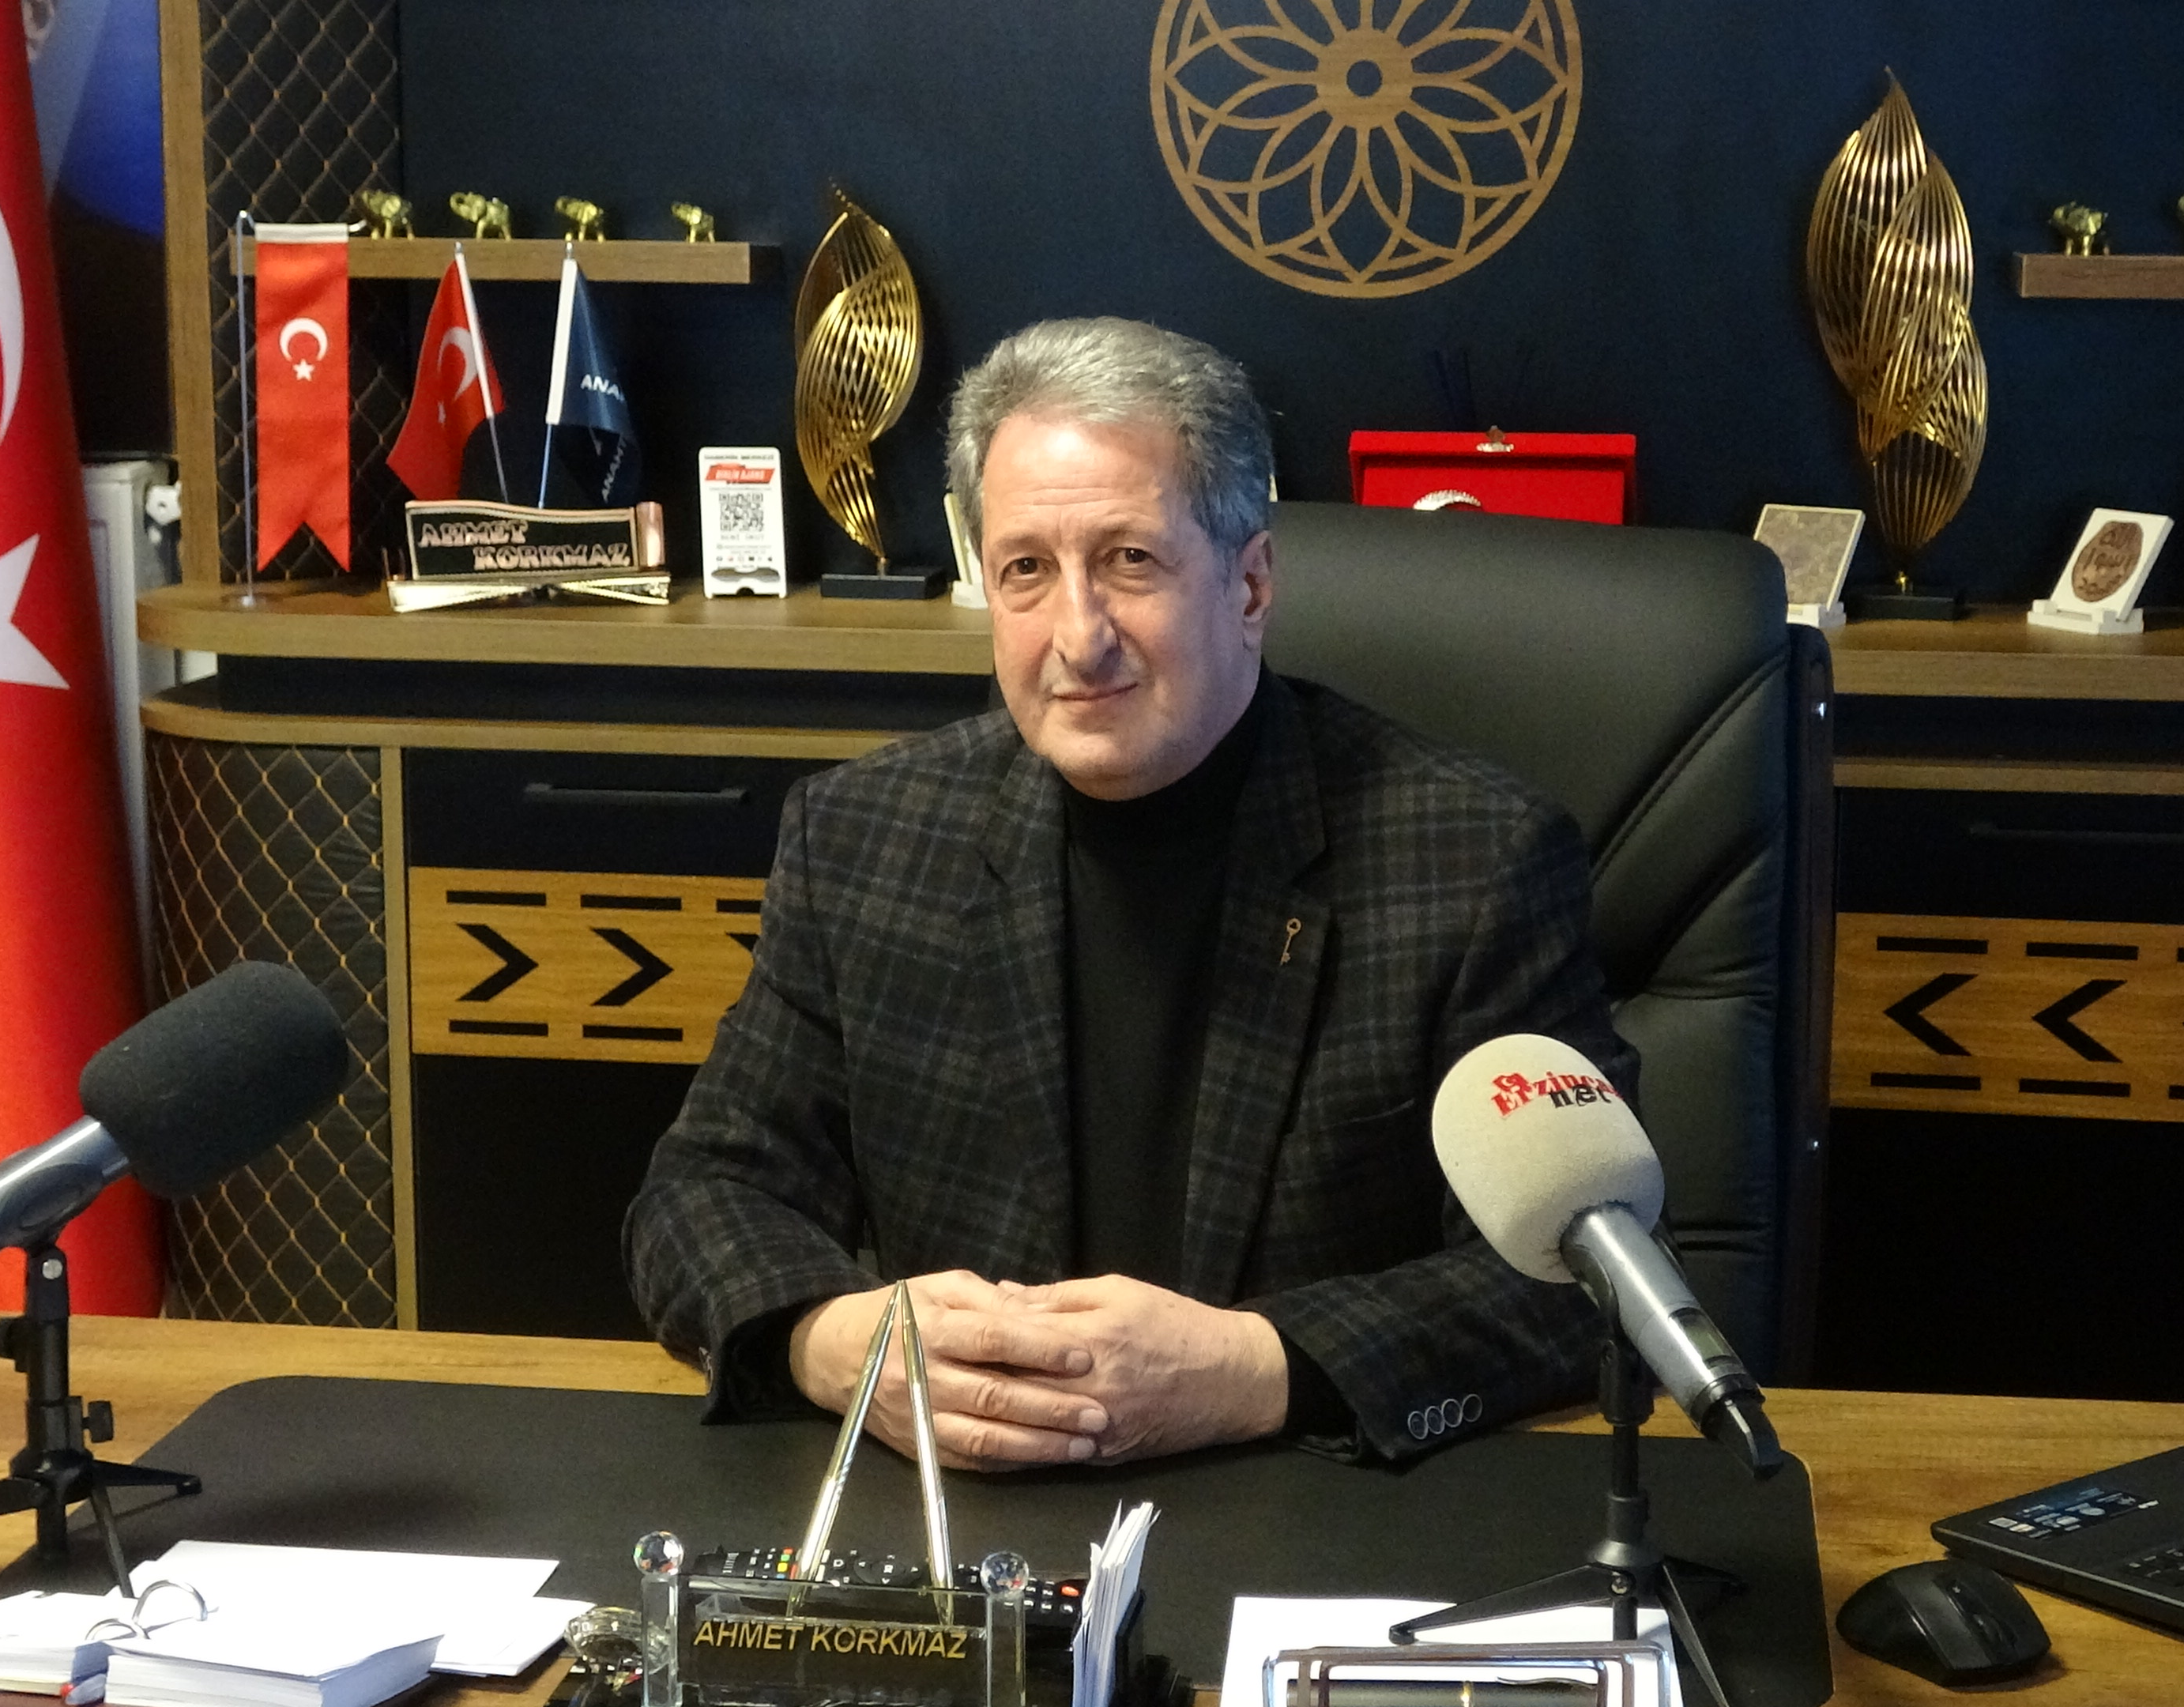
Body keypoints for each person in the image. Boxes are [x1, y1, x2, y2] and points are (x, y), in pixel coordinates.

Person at [624, 317, 1636, 1469]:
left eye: (1129, 561)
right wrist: (834, 1343)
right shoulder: (862, 837)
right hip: (975, 1517)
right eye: (1026, 570)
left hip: (1306, 1507)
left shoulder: (1474, 860)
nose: (1078, 637)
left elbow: (1583, 1281)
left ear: (1250, 585)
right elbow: (700, 1195)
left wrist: (1256, 1368)